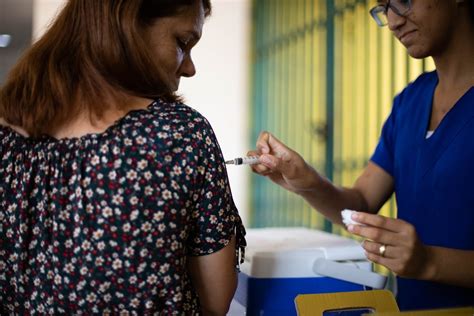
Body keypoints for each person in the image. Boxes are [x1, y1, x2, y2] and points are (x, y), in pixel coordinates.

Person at [0, 0, 246, 314]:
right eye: (182, 43)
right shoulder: (179, 134)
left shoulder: (6, 142)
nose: (190, 68)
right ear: (129, 22)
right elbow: (216, 299)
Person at [249, 0, 474, 311]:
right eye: (384, 7)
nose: (393, 21)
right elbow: (360, 204)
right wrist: (304, 181)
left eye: (404, 2)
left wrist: (430, 262)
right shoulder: (409, 103)